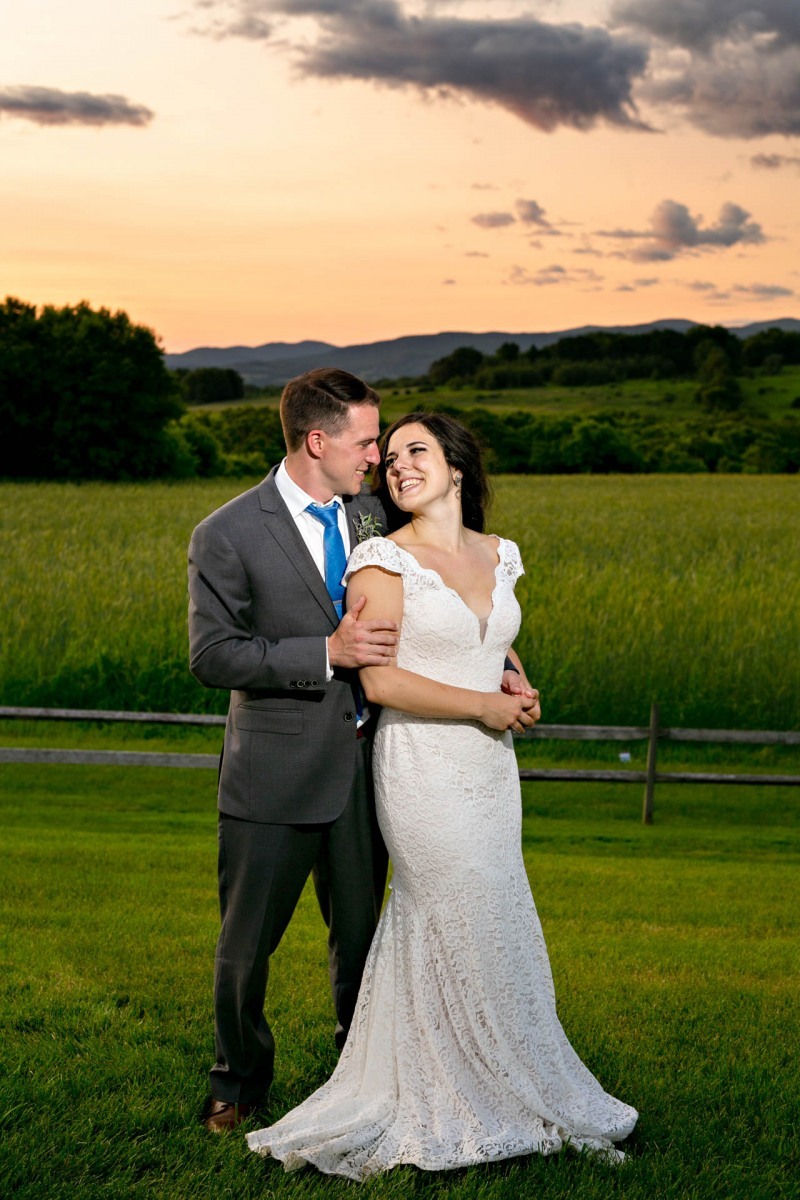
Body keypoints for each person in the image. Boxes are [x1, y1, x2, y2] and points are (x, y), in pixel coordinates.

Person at [247, 412, 638, 1176]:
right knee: (454, 907)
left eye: (415, 451)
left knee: (495, 909)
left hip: (491, 771)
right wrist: (485, 706)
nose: (396, 466)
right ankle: (449, 1094)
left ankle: (507, 1083)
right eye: (389, 458)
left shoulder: (499, 553)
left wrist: (512, 677)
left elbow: (483, 631)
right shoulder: (382, 558)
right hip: (424, 765)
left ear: (457, 466)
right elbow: (382, 679)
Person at [187, 367, 400, 1132]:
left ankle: (361, 1076)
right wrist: (325, 654)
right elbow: (213, 656)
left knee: (364, 945)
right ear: (318, 440)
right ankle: (238, 1081)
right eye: (366, 439)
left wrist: (495, 657)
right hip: (272, 773)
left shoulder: (373, 516)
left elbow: (429, 594)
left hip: (367, 770)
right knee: (246, 950)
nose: (377, 454)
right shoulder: (227, 532)